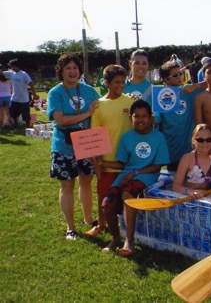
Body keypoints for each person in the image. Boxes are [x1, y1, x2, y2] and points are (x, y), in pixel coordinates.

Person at [98, 99, 170, 254]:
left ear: (151, 118)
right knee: (106, 204)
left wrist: (135, 173)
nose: (140, 120)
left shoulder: (158, 137)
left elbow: (158, 166)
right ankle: (116, 238)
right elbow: (122, 163)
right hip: (126, 175)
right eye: (136, 116)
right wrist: (103, 163)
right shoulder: (126, 137)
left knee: (127, 193)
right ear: (130, 117)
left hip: (147, 175)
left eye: (144, 116)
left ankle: (128, 242)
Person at [47, 53, 101, 240]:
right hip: (64, 145)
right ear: (60, 71)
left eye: (75, 68)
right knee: (67, 186)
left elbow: (102, 110)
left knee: (87, 182)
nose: (72, 71)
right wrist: (86, 114)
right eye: (68, 68)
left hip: (88, 142)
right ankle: (71, 227)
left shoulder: (89, 90)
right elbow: (60, 119)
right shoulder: (55, 92)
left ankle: (89, 219)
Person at [84, 65, 134, 238]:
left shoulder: (131, 102)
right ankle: (101, 224)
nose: (120, 85)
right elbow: (95, 136)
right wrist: (98, 165)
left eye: (123, 81)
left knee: (126, 196)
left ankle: (127, 227)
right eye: (116, 82)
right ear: (106, 83)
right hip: (106, 162)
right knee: (103, 194)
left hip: (128, 162)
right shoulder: (98, 106)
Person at [158, 61, 207, 172]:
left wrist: (196, 85)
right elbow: (157, 118)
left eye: (180, 73)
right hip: (172, 147)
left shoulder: (190, 90)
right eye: (175, 75)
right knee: (174, 180)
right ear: (166, 80)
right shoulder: (160, 95)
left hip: (190, 148)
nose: (180, 76)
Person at [172, 123, 211, 197]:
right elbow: (176, 186)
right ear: (193, 141)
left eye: (209, 140)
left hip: (205, 192)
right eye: (200, 140)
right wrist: (190, 192)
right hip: (188, 195)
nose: (205, 143)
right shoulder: (187, 158)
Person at [4, 58, 38, 128]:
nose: (11, 68)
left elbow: (31, 83)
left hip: (24, 99)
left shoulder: (23, 74)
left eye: (12, 66)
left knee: (26, 115)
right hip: (14, 98)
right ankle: (15, 124)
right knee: (12, 114)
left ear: (17, 66)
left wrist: (34, 94)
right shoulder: (11, 73)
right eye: (11, 67)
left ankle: (28, 126)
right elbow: (2, 72)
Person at [0, 65, 12, 130]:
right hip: (8, 96)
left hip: (0, 97)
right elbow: (11, 89)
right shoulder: (9, 80)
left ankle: (1, 127)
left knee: (1, 113)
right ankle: (11, 125)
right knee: (7, 112)